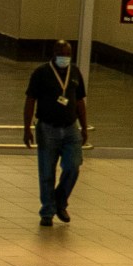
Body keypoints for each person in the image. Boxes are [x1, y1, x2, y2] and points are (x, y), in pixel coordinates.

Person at [23, 39, 91, 226]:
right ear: (54, 53)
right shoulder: (41, 73)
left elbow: (79, 102)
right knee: (46, 173)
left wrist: (84, 127)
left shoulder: (75, 72)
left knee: (73, 166)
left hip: (70, 128)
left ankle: (60, 201)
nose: (65, 58)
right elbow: (30, 100)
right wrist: (27, 128)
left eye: (68, 54)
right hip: (47, 129)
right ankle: (47, 212)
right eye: (62, 54)